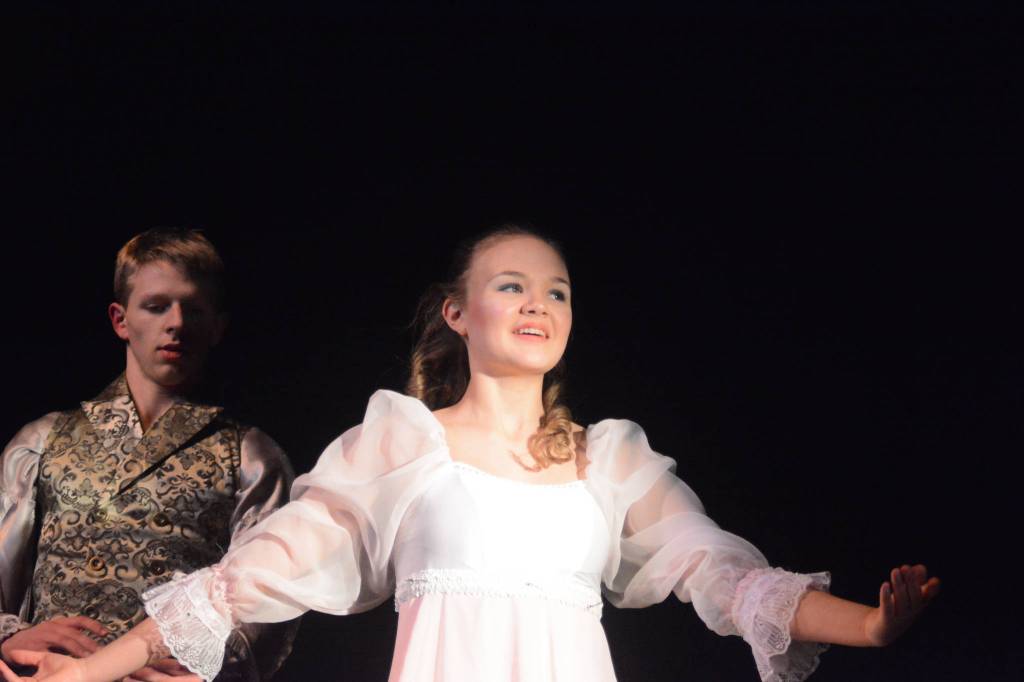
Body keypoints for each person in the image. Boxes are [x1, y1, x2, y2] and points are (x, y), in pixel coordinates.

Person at [0, 225, 939, 682]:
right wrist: (93, 669)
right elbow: (250, 578)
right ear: (458, 311)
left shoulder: (609, 463)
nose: (539, 304)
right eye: (512, 284)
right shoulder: (400, 445)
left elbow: (727, 576)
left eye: (558, 292)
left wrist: (869, 627)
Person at [0, 229, 296, 681]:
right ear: (120, 319)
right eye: (156, 306)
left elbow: (267, 595)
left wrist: (205, 669)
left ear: (217, 326)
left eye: (192, 309)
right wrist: (7, 636)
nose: (175, 323)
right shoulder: (43, 441)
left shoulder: (250, 455)